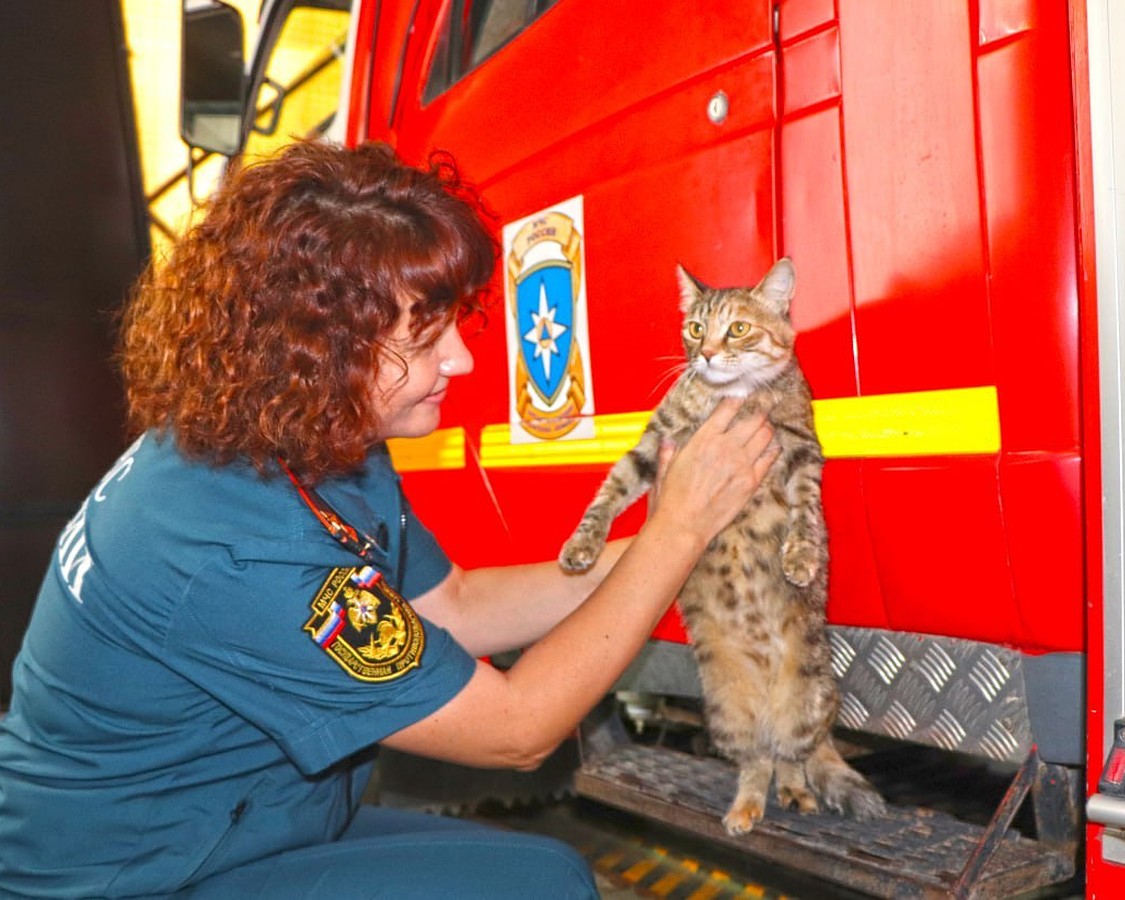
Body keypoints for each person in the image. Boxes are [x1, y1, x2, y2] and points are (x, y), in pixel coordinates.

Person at [0, 140, 778, 899]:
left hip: (242, 826)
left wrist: (662, 540)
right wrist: (675, 533)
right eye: (425, 338)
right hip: (133, 876)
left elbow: (458, 607)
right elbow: (515, 729)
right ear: (321, 351)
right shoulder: (237, 547)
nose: (464, 361)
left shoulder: (308, 435)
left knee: (548, 874)